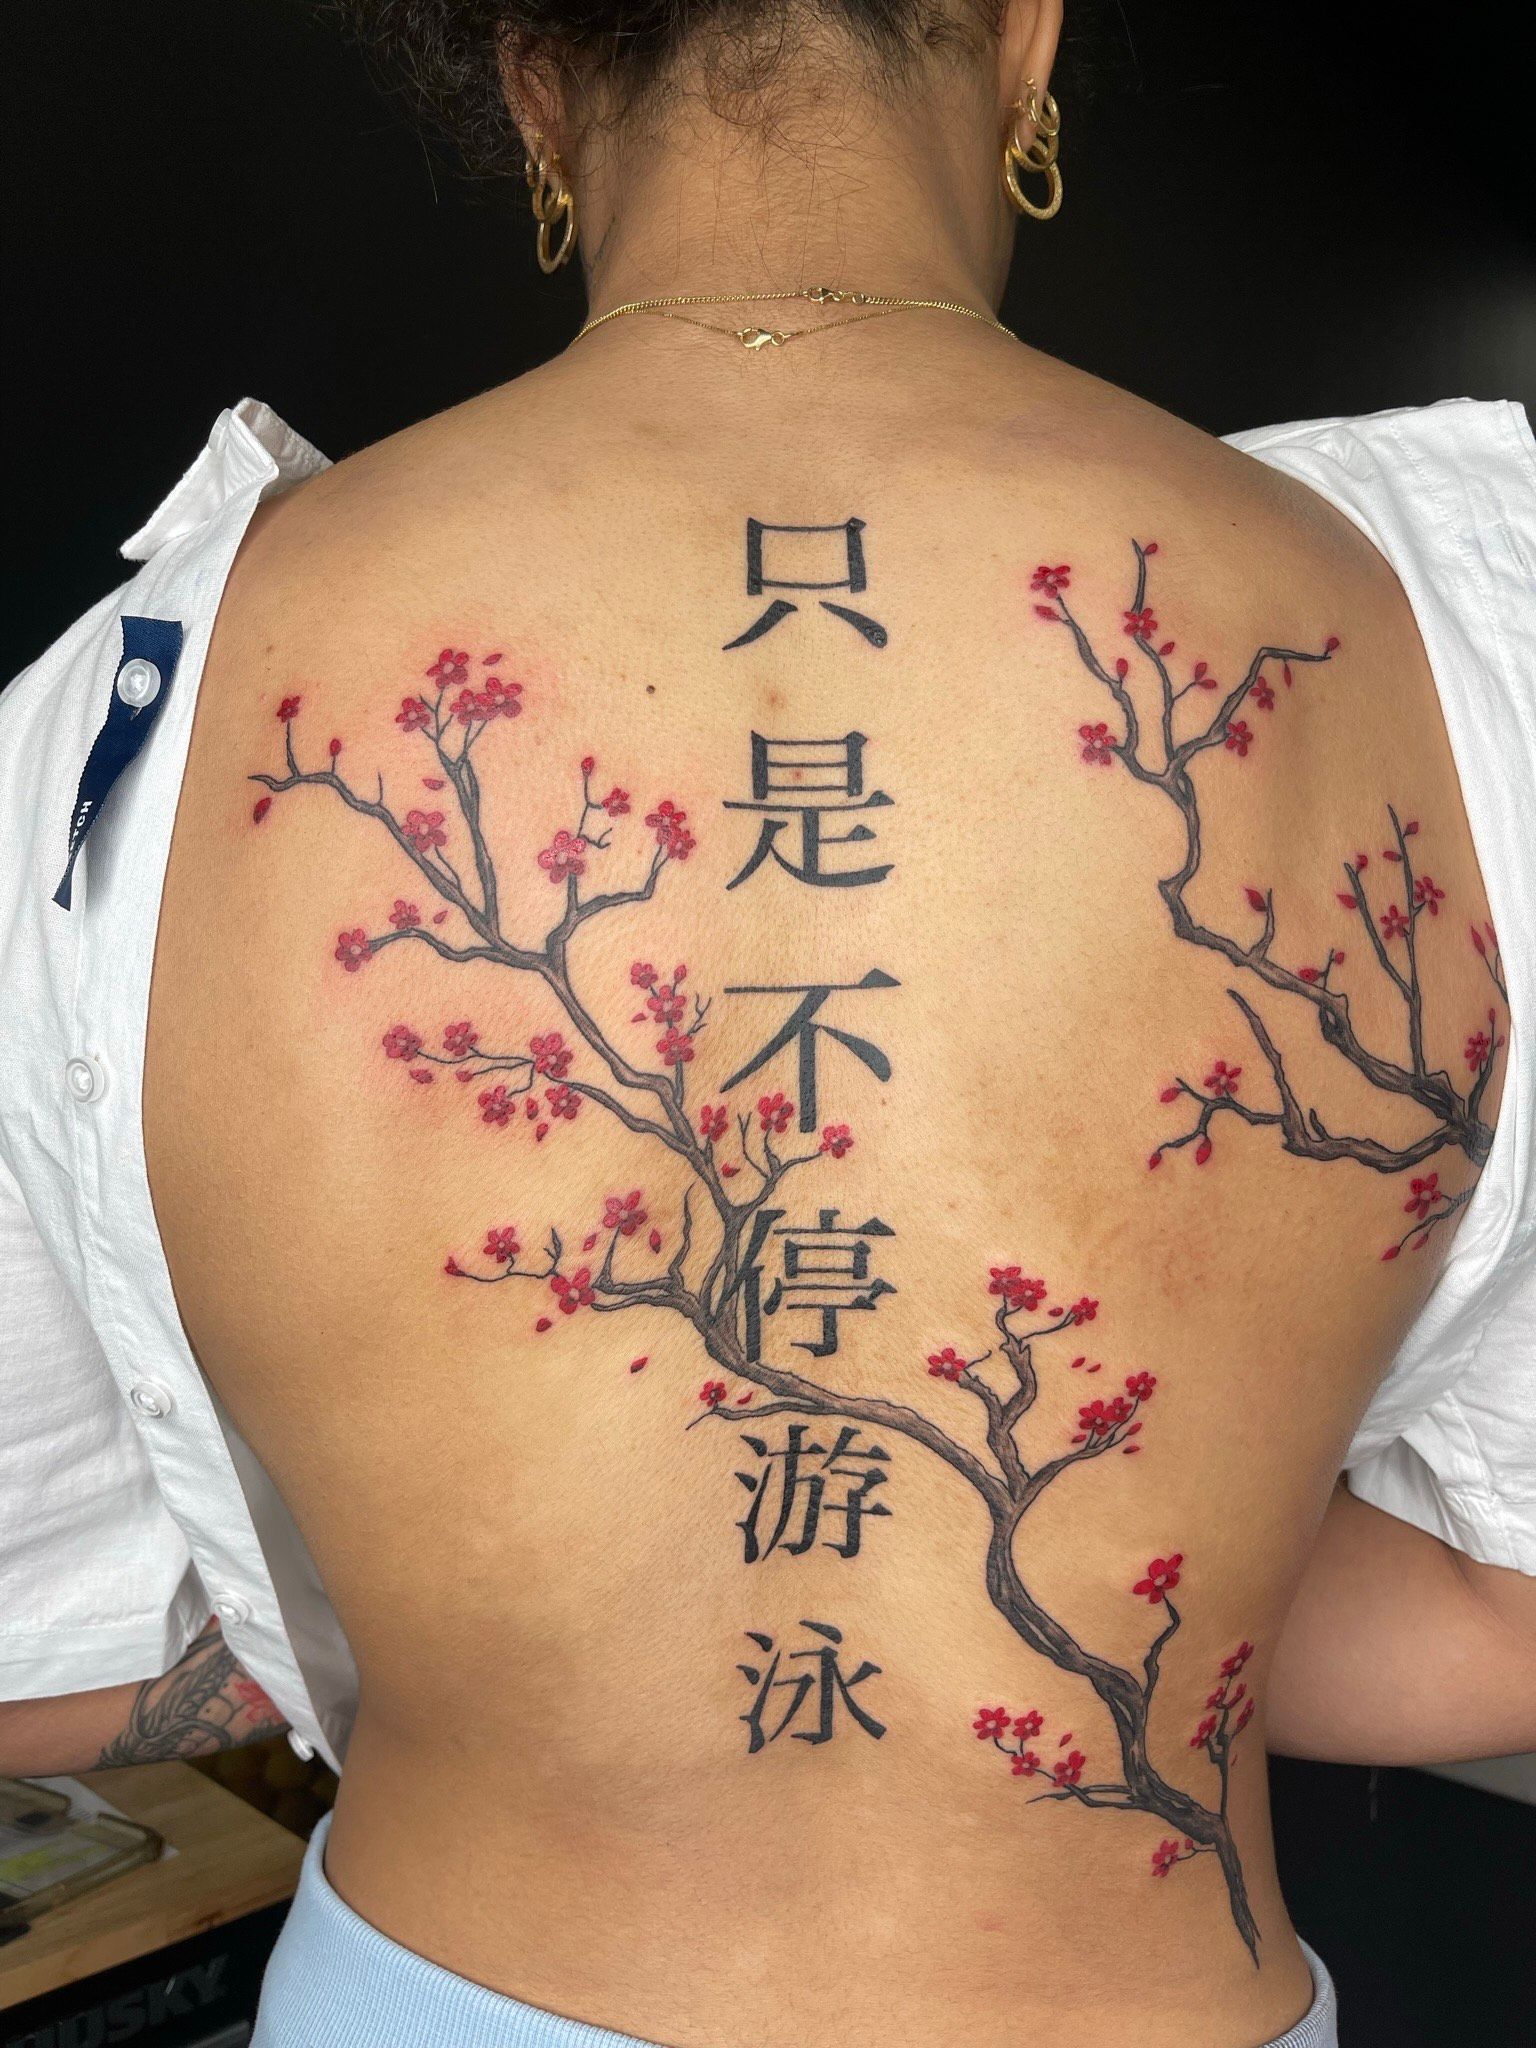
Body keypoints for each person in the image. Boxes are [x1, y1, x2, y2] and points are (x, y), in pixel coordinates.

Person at [1, 2, 1532, 2043]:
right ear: (1023, 46)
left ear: (536, 93)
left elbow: (27, 1651)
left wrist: (445, 1593)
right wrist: (1189, 1531)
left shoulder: (122, 737)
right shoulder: (1440, 666)